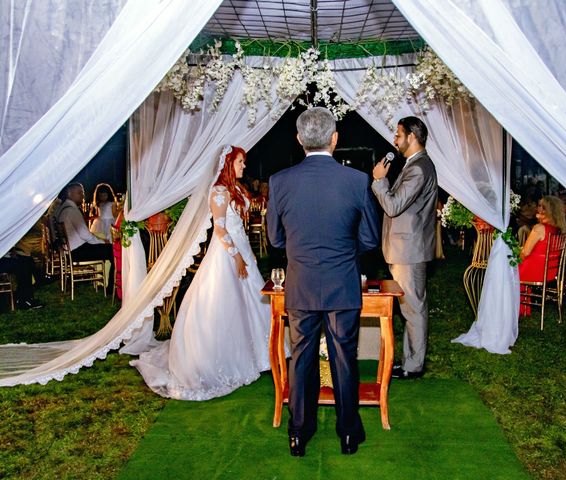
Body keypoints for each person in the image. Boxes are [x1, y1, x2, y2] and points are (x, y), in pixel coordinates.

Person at [267, 107, 380, 457]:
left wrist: (301, 251)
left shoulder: (280, 181)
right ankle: (348, 434)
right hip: (342, 284)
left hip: (300, 284)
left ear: (300, 140)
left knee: (300, 359)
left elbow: (275, 239)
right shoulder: (357, 181)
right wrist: (345, 254)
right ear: (334, 139)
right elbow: (371, 238)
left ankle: (299, 433)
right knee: (344, 359)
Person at [130, 145, 271, 400]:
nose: (244, 166)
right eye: (240, 162)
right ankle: (221, 358)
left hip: (242, 250)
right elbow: (219, 228)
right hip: (226, 254)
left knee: (251, 301)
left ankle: (257, 354)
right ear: (229, 164)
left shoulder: (236, 189)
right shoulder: (218, 191)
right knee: (225, 306)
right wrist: (236, 255)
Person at [371, 116, 438, 380]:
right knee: (409, 308)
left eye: (398, 134)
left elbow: (393, 205)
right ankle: (410, 362)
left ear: (412, 136)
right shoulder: (413, 165)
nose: (395, 140)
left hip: (409, 251)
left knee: (413, 308)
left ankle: (413, 366)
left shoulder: (419, 168)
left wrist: (379, 181)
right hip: (404, 249)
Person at [53, 182, 114, 287]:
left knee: (106, 248)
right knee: (112, 250)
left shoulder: (62, 209)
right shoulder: (72, 211)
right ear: (69, 194)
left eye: (83, 193)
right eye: (79, 193)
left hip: (69, 251)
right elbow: (85, 235)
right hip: (77, 251)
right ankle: (110, 286)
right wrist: (103, 241)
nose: (82, 196)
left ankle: (105, 283)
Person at [518, 195, 566, 316]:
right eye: (539, 206)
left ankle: (510, 307)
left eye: (542, 207)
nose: (538, 209)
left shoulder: (539, 228)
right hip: (550, 271)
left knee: (506, 269)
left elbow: (525, 252)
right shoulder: (560, 230)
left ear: (548, 211)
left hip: (534, 271)